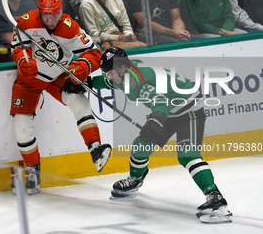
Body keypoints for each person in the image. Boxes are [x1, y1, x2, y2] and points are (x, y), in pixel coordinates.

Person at [91, 47, 232, 222]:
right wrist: (89, 83)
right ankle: (135, 179)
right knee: (141, 145)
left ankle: (216, 199)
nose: (109, 76)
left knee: (187, 156)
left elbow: (161, 102)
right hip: (168, 111)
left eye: (111, 72)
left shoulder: (135, 81)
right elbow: (108, 82)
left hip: (189, 110)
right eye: (107, 73)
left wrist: (155, 120)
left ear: (122, 68)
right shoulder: (123, 71)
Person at [10, 0, 112, 195]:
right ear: (39, 12)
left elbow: (93, 52)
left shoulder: (69, 28)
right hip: (29, 80)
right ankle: (32, 170)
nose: (49, 21)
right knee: (21, 128)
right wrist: (23, 61)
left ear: (61, 13)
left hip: (58, 75)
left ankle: (95, 147)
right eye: (45, 16)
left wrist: (83, 66)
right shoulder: (26, 22)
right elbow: (17, 47)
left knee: (78, 99)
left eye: (54, 16)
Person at [79, 0, 147, 51]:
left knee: (143, 47)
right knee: (142, 46)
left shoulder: (117, 0)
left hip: (121, 38)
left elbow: (126, 26)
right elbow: (94, 35)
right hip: (104, 43)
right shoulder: (87, 5)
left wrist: (129, 34)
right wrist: (116, 38)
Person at [126, 0, 192, 44]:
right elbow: (147, 24)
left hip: (171, 33)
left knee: (199, 38)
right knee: (176, 43)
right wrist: (174, 33)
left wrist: (181, 33)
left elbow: (176, 19)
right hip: (148, 36)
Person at [179, 0, 247, 37]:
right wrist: (223, 32)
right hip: (197, 32)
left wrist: (226, 31)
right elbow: (199, 24)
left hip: (222, 29)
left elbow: (229, 15)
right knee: (217, 40)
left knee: (244, 35)